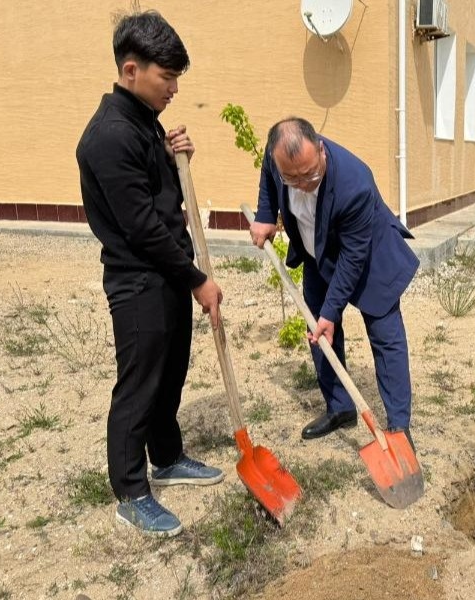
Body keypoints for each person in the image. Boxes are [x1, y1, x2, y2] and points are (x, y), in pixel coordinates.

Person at [76, 10, 225, 538]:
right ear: (132, 69)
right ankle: (131, 492)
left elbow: (163, 198)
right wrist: (196, 279)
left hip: (165, 274)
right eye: (168, 77)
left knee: (170, 376)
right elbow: (141, 228)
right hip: (139, 280)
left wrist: (174, 157)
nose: (175, 88)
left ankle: (167, 456)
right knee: (139, 385)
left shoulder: (144, 124)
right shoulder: (110, 136)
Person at [249, 117, 419, 446]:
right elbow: (269, 179)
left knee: (386, 339)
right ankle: (340, 408)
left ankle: (399, 427)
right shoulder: (278, 160)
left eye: (311, 174)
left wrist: (331, 312)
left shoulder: (355, 183)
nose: (303, 183)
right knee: (320, 333)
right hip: (317, 251)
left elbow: (353, 259)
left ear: (322, 151)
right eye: (292, 178)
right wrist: (266, 216)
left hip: (370, 258)